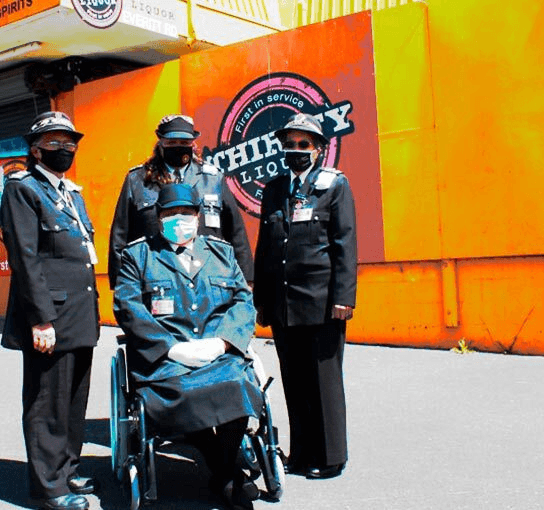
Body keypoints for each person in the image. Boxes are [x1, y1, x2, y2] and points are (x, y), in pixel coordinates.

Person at [114, 183, 263, 510]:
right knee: (184, 393)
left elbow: (243, 301)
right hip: (167, 364)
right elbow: (127, 306)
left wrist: (223, 342)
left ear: (198, 216)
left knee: (238, 384)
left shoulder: (221, 253)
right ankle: (227, 474)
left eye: (186, 212)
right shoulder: (138, 256)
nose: (179, 219)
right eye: (170, 213)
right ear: (158, 217)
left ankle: (222, 471)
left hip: (217, 355)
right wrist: (170, 348)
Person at [0, 111, 100, 510]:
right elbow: (26, 258)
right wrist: (41, 318)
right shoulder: (22, 190)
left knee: (74, 399)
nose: (64, 149)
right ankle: (48, 487)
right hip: (51, 317)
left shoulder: (70, 193)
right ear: (35, 149)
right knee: (47, 402)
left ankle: (68, 469)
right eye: (54, 142)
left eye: (70, 142)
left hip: (80, 312)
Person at [253, 113, 358, 480]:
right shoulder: (275, 189)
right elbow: (266, 247)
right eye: (291, 144)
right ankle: (301, 453)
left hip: (321, 300)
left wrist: (344, 299)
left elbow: (345, 244)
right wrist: (262, 300)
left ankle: (330, 457)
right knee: (294, 380)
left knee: (323, 380)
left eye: (304, 144)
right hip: (284, 303)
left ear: (318, 148)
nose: (296, 150)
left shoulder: (334, 186)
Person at [108, 114, 253, 289]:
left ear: (193, 143)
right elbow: (120, 237)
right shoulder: (137, 180)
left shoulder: (213, 179)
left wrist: (246, 283)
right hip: (155, 281)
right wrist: (121, 288)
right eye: (172, 142)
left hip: (209, 281)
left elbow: (236, 234)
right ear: (161, 142)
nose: (178, 147)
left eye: (184, 143)